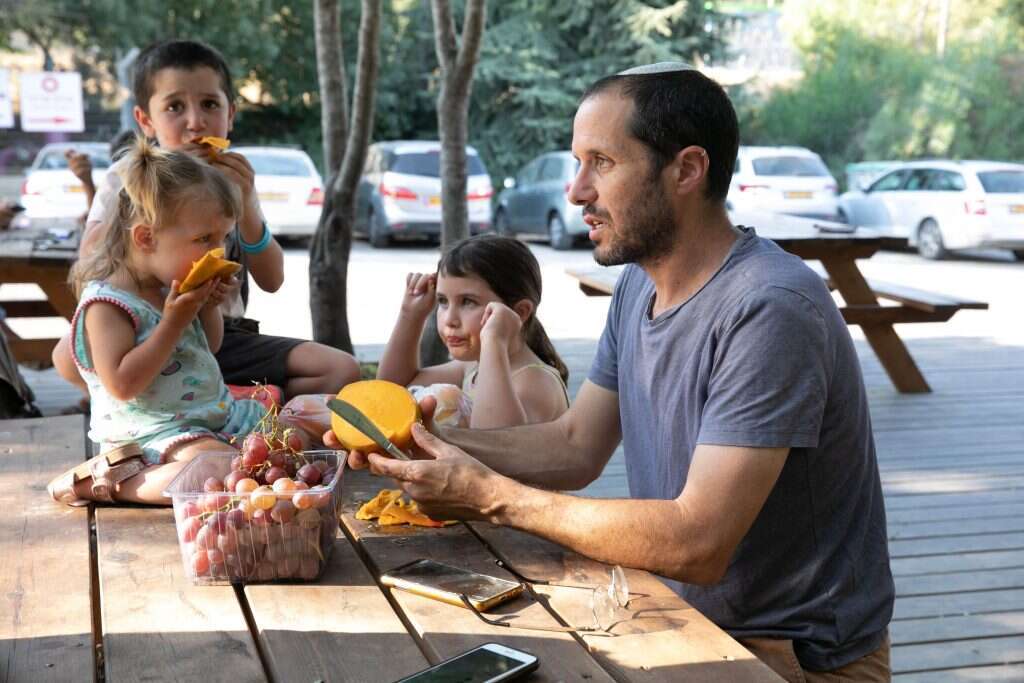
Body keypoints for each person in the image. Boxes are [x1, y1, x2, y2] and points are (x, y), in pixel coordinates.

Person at [327, 63, 894, 682]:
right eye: (578, 162)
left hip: (793, 659)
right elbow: (575, 446)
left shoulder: (770, 307)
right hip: (676, 617)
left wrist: (490, 496)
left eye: (601, 161)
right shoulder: (638, 286)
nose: (576, 191)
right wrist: (417, 440)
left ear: (687, 169)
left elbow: (697, 541)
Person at [51, 39, 359, 401]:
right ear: (145, 120)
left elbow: (272, 279)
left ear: (230, 114)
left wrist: (246, 205)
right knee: (66, 354)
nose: (195, 122)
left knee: (342, 369)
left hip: (221, 333)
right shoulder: (128, 179)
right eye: (174, 107)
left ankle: (227, 398)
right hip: (145, 328)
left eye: (210, 104)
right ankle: (196, 398)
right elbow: (92, 267)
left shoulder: (233, 180)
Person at [49, 137, 267, 505]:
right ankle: (113, 482)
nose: (218, 252)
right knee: (220, 470)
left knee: (288, 439)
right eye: (204, 238)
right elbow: (121, 384)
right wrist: (172, 322)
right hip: (152, 436)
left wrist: (208, 307)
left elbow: (209, 348)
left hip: (210, 417)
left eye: (223, 238)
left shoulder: (172, 285)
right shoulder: (107, 305)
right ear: (146, 237)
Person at [378, 234, 569, 428]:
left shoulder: (536, 382)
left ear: (519, 312)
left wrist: (494, 341)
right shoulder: (472, 367)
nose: (450, 320)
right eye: (443, 301)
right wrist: (409, 316)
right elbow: (393, 389)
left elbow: (493, 440)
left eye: (468, 302)